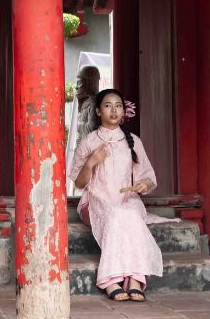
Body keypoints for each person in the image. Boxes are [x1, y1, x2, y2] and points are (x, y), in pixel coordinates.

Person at [69, 89, 178, 302]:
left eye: (118, 105)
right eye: (108, 105)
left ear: (124, 111)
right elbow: (79, 183)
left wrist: (141, 185)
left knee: (127, 214)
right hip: (94, 202)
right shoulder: (89, 142)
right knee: (118, 215)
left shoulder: (133, 141)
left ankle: (135, 278)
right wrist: (91, 161)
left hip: (128, 200)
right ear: (99, 111)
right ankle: (111, 279)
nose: (114, 110)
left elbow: (149, 177)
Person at [75, 65, 101, 144]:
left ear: (89, 83)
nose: (76, 87)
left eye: (79, 83)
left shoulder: (95, 103)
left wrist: (78, 126)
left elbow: (91, 129)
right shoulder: (85, 101)